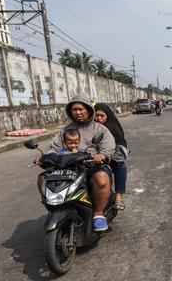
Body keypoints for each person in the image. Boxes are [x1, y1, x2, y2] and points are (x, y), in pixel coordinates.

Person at [38, 94, 116, 232]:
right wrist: (44, 157)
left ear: (89, 110)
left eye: (81, 109)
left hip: (92, 165)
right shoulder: (65, 131)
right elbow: (53, 148)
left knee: (101, 179)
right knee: (43, 178)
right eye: (74, 110)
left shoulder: (100, 129)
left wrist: (102, 155)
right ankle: (54, 206)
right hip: (69, 167)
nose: (78, 112)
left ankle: (98, 214)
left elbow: (108, 146)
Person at [94, 103, 129, 211]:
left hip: (110, 158)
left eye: (102, 116)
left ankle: (118, 197)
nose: (99, 118)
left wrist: (108, 154)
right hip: (91, 158)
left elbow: (120, 143)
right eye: (96, 115)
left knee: (121, 167)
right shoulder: (89, 127)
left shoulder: (112, 127)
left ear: (107, 116)